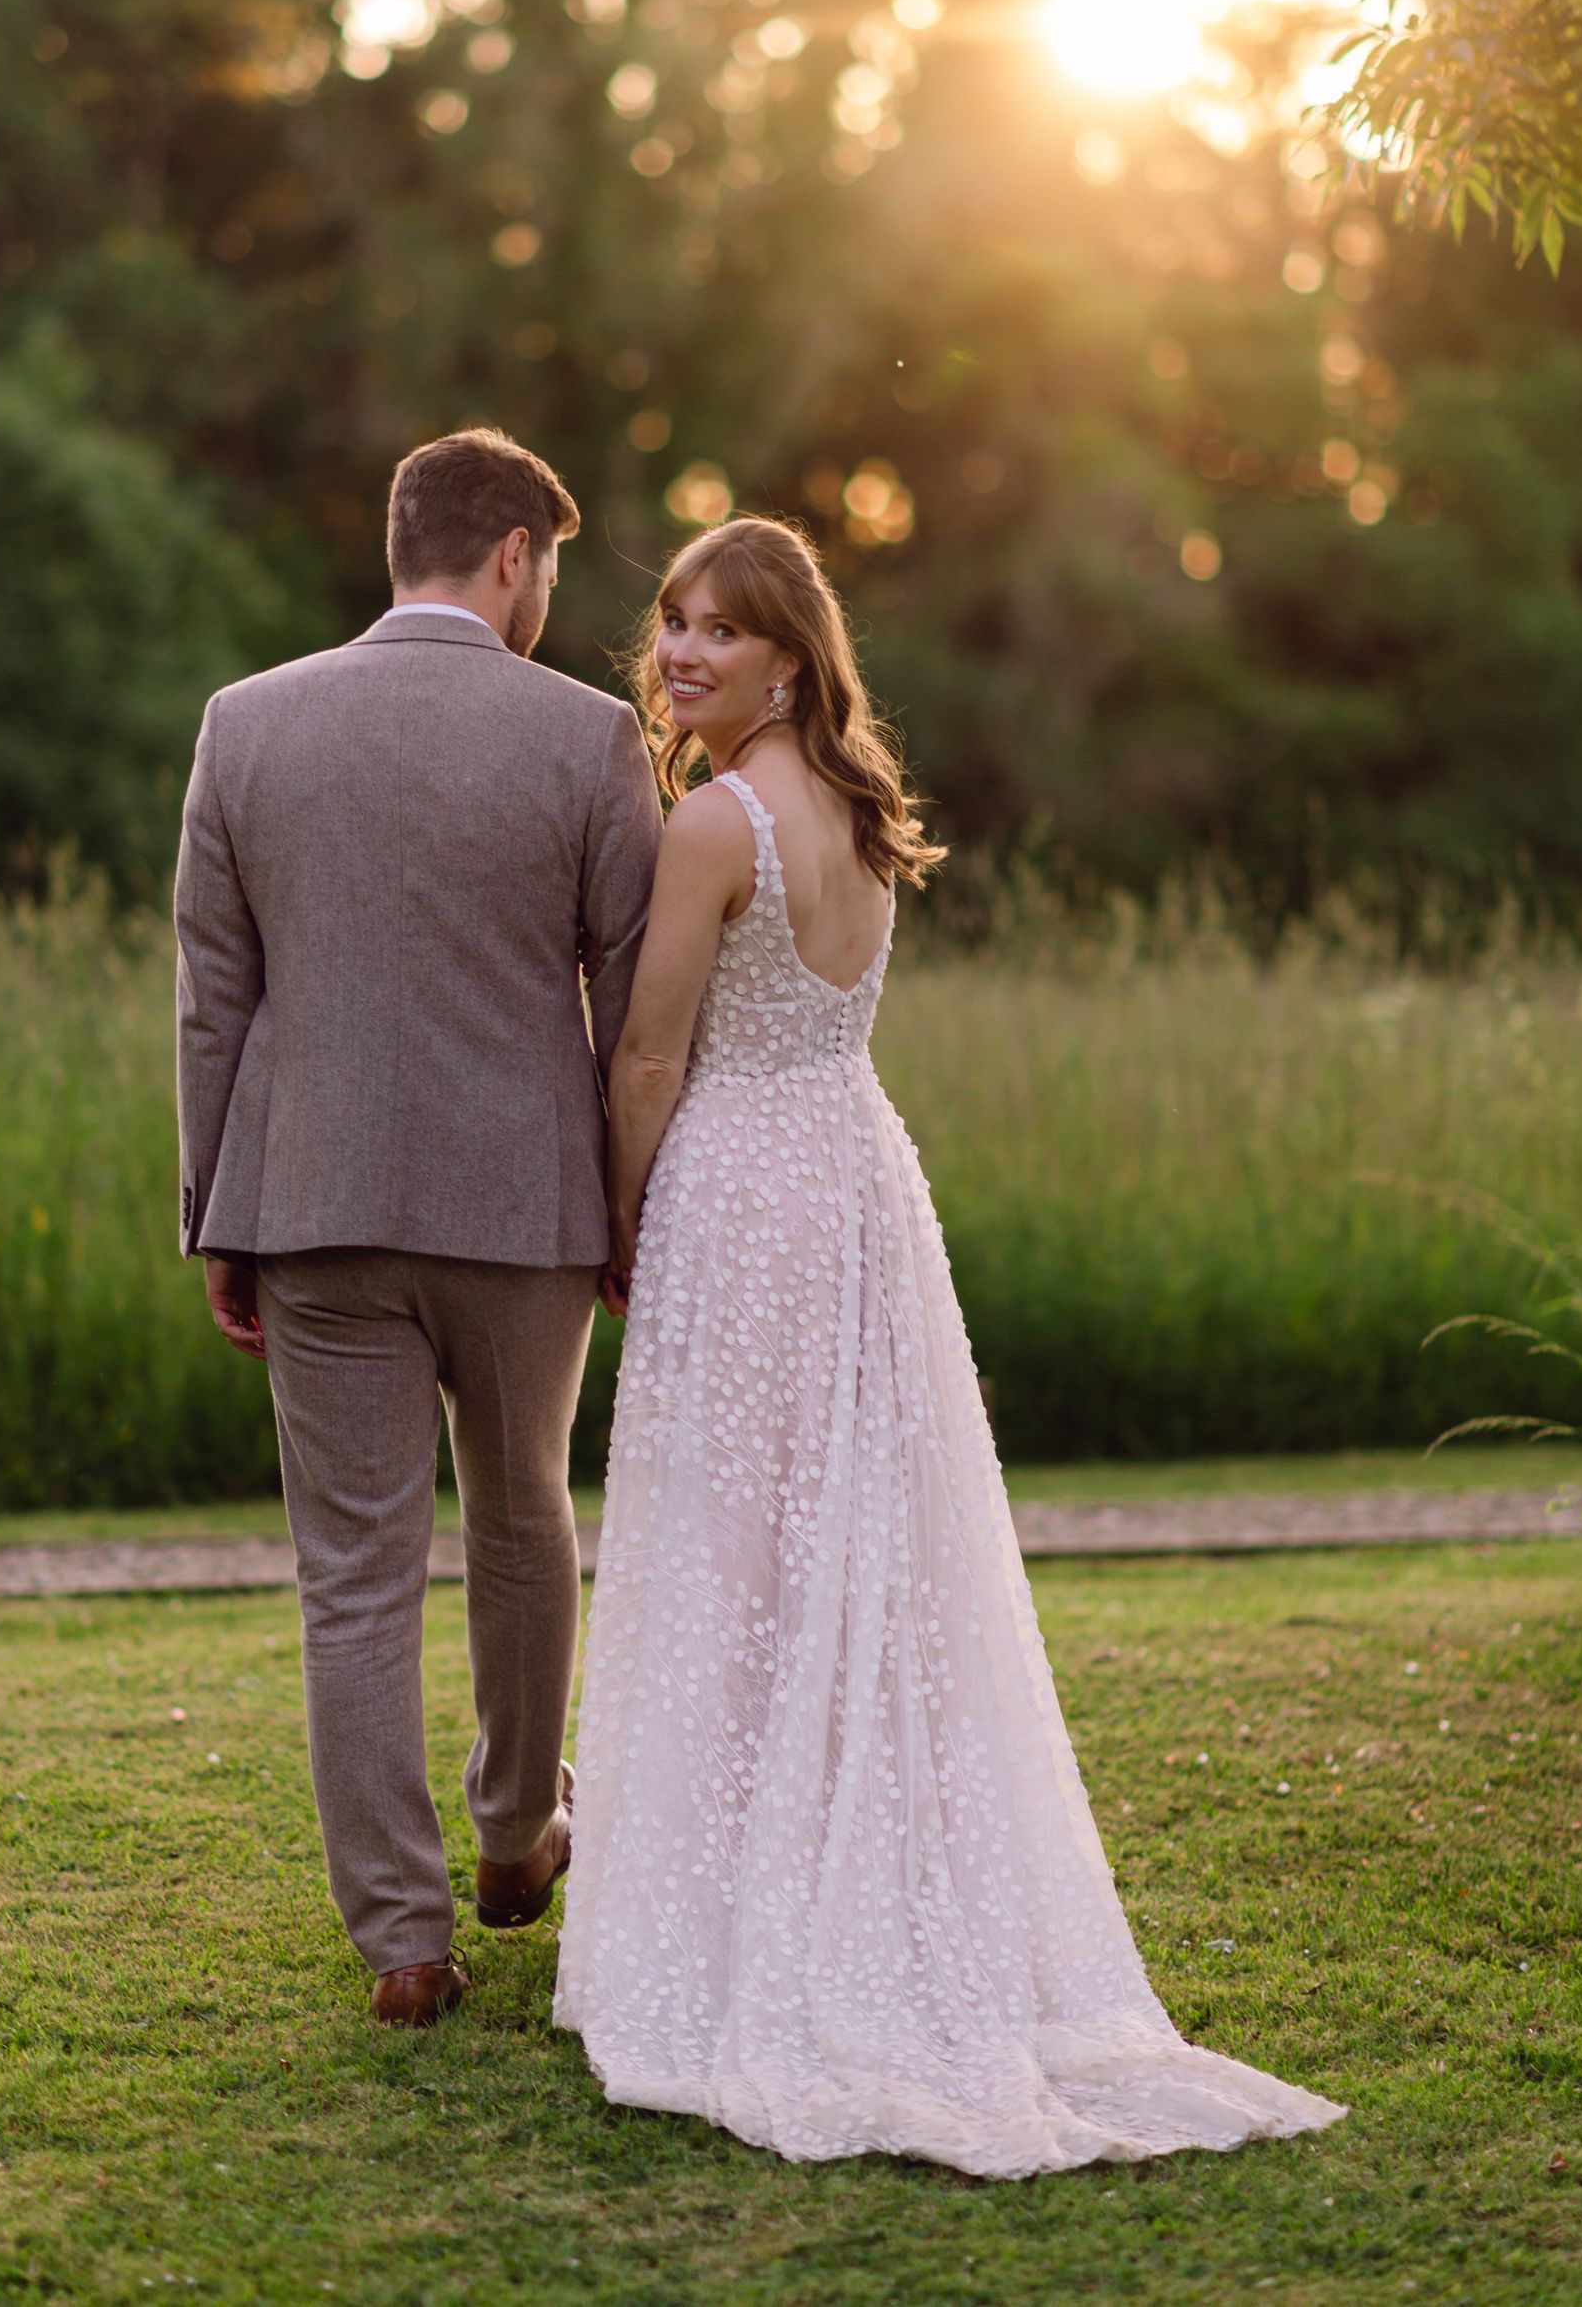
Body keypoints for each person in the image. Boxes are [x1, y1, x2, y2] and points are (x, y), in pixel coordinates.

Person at [556, 514, 1345, 2176]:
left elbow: (648, 1057)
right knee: (849, 1542)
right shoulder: (853, 809)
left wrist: (619, 1221)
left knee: (737, 1549)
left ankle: (744, 1920)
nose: (682, 649)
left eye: (720, 628)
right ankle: (837, 1874)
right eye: (674, 620)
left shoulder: (712, 822)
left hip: (747, 1188)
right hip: (852, 1175)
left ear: (789, 659)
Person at [174, 429, 661, 2028]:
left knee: (353, 1573)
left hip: (313, 1204)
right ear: (515, 553)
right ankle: (517, 1834)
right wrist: (630, 1205)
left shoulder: (246, 722)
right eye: (551, 570)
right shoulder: (590, 737)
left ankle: (401, 1937)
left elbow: (215, 997)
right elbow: (638, 1007)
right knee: (523, 1519)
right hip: (527, 1213)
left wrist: (216, 1210)